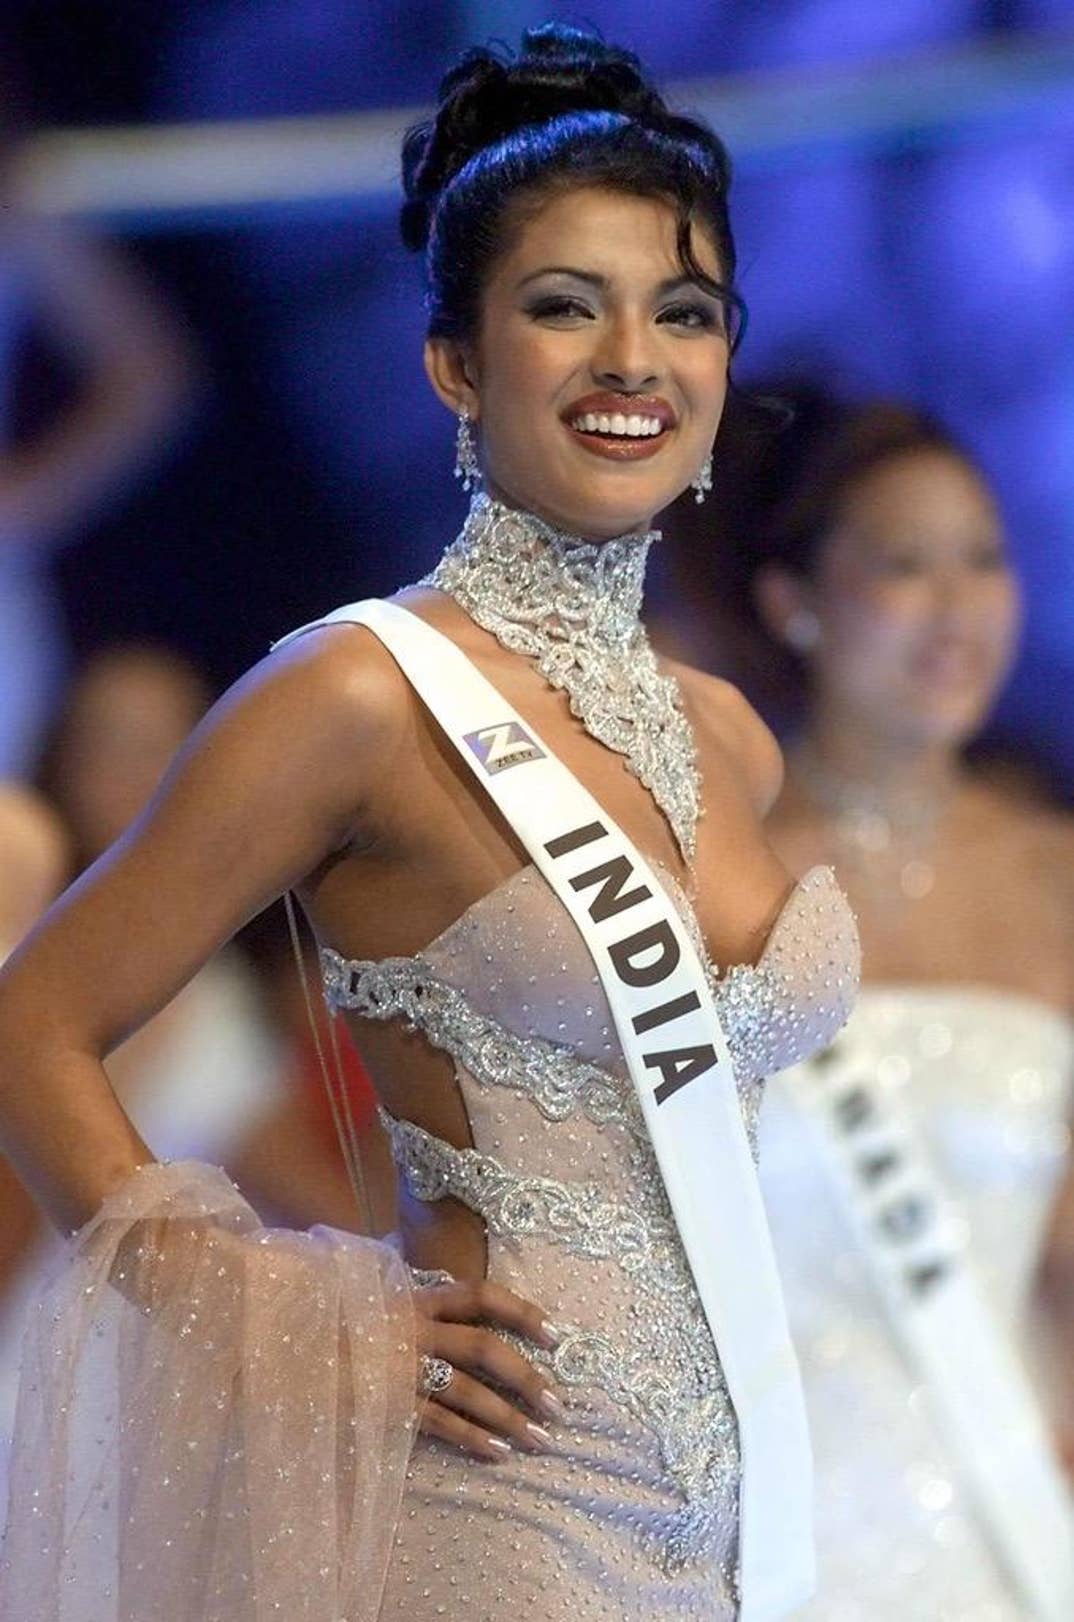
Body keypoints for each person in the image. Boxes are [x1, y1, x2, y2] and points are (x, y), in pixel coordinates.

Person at [0, 28, 858, 1622]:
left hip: (742, 1528)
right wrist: (291, 1313)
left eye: (682, 310)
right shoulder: (362, 695)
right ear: (453, 362)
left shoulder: (726, 737)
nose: (632, 358)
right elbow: (31, 1023)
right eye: (561, 307)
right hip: (493, 1510)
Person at [701, 391, 1074, 1618]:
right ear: (791, 600)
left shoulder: (1055, 878)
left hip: (1010, 1531)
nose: (957, 608)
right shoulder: (712, 874)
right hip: (759, 1541)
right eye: (905, 566)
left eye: (985, 559)